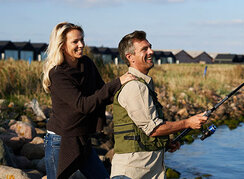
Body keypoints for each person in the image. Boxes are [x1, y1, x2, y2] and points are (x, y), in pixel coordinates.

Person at [42, 22, 136, 179]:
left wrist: (129, 91)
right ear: (62, 45)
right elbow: (83, 105)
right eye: (75, 41)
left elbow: (102, 94)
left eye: (82, 40)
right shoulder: (58, 74)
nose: (81, 45)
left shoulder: (87, 63)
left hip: (82, 137)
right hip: (60, 140)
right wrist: (117, 82)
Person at [110, 30, 208, 179]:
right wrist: (188, 123)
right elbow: (154, 129)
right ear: (130, 57)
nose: (151, 51)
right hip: (132, 173)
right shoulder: (135, 87)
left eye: (150, 47)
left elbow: (142, 129)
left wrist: (163, 143)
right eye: (144, 49)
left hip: (144, 171)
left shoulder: (143, 84)